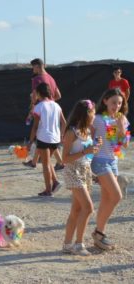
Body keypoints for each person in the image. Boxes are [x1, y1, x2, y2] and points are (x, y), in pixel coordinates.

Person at [91, 88, 130, 250]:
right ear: (105, 101)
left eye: (120, 103)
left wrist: (121, 127)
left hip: (113, 161)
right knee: (116, 196)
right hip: (99, 161)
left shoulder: (121, 119)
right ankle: (97, 233)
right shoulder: (97, 119)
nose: (117, 106)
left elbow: (124, 145)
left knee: (107, 199)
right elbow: (87, 138)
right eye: (114, 102)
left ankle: (99, 234)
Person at [62, 100, 102, 256]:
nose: (94, 116)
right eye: (93, 113)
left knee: (76, 210)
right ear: (86, 114)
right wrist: (87, 151)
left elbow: (87, 156)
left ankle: (67, 245)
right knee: (88, 208)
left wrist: (94, 150)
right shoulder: (72, 132)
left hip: (84, 171)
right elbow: (64, 159)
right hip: (73, 171)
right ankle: (78, 244)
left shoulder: (87, 131)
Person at [24, 58, 65, 171]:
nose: (33, 70)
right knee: (45, 137)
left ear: (37, 66)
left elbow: (33, 96)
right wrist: (51, 102)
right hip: (52, 109)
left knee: (42, 135)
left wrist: (32, 110)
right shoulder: (51, 78)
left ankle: (58, 164)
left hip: (41, 109)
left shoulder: (36, 79)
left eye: (33, 67)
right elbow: (58, 95)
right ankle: (34, 162)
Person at [28, 83, 66, 197]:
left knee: (45, 165)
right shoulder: (56, 105)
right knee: (48, 162)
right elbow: (64, 123)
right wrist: (61, 136)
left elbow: (35, 126)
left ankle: (48, 190)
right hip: (55, 139)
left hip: (43, 138)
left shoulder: (38, 107)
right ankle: (55, 182)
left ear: (39, 93)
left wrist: (30, 141)